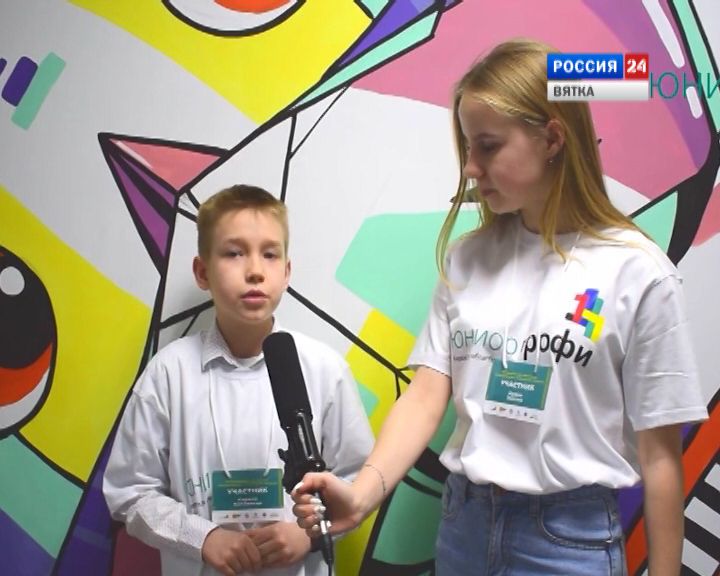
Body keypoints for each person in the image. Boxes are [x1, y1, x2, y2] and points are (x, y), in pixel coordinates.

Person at [291, 39, 709, 575]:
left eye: (487, 146)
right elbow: (426, 395)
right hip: (463, 528)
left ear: (552, 138)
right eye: (468, 147)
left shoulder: (638, 273)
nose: (470, 167)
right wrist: (363, 494)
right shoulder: (468, 258)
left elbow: (660, 455)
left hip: (568, 544)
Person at [103, 184, 374, 576]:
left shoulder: (323, 370)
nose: (255, 270)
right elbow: (130, 491)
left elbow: (359, 482)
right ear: (202, 272)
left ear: (287, 271)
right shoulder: (168, 374)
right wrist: (203, 538)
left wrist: (310, 534)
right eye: (234, 253)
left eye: (270, 254)